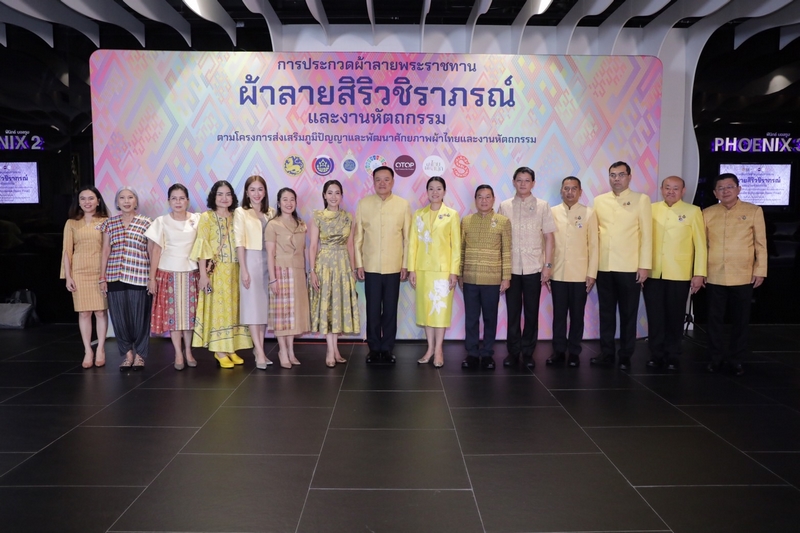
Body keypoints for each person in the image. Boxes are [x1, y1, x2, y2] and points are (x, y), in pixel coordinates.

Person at [703, 173, 767, 376]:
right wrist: (700, 272)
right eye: (721, 188)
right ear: (715, 193)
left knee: (740, 320)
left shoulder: (754, 211)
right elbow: (702, 246)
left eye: (730, 187)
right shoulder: (707, 213)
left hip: (743, 275)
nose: (725, 191)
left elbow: (761, 245)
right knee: (714, 320)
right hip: (714, 275)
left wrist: (760, 270)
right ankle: (715, 358)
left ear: (739, 189)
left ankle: (736, 359)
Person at [590, 161, 652, 370]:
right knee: (606, 313)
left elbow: (646, 235)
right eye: (613, 175)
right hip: (604, 266)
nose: (616, 179)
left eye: (621, 175)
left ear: (629, 177)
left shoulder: (641, 200)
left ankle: (625, 354)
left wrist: (644, 266)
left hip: (629, 267)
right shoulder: (599, 201)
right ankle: (607, 352)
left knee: (628, 313)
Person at [643, 176, 707, 372]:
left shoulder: (693, 211)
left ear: (683, 191)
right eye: (667, 188)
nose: (671, 191)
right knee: (655, 317)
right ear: (661, 189)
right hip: (653, 272)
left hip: (679, 273)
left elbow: (701, 246)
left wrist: (699, 273)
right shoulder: (651, 209)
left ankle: (673, 354)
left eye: (675, 188)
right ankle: (656, 354)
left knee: (675, 316)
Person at [498, 166, 556, 369]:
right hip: (511, 269)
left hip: (534, 268)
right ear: (513, 181)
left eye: (527, 180)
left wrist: (547, 266)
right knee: (513, 312)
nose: (523, 184)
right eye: (519, 180)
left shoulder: (542, 206)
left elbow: (549, 238)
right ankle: (513, 352)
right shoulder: (504, 206)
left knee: (531, 312)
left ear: (533, 183)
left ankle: (528, 352)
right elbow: (500, 239)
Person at [191, 180, 253, 368]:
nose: (224, 198)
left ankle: (230, 348)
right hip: (216, 271)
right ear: (213, 197)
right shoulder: (207, 217)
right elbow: (203, 246)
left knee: (234, 310)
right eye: (220, 194)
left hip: (236, 269)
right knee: (219, 311)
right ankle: (219, 351)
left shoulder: (238, 216)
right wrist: (203, 275)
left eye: (228, 194)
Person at [354, 166, 412, 364]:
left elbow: (408, 239)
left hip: (394, 267)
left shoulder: (403, 205)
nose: (382, 183)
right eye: (378, 179)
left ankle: (387, 348)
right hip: (370, 267)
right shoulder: (363, 204)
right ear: (373, 181)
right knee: (372, 309)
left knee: (389, 310)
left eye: (386, 179)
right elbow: (357, 239)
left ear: (393, 182)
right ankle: (373, 348)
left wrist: (406, 265)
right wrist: (359, 264)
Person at [145, 184, 201, 371]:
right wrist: (152, 278)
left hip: (191, 272)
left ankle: (189, 351)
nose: (178, 202)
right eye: (174, 198)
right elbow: (155, 251)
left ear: (187, 201)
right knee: (174, 317)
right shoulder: (161, 221)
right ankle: (178, 353)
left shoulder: (197, 219)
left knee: (189, 317)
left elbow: (202, 247)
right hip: (168, 273)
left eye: (181, 198)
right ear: (169, 201)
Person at [408, 176, 461, 368]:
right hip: (422, 270)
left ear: (444, 192)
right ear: (427, 191)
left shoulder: (452, 215)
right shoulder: (418, 215)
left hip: (442, 271)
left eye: (439, 189)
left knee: (439, 311)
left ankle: (439, 349)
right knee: (425, 311)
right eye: (431, 189)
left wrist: (454, 272)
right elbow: (412, 244)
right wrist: (411, 269)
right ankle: (429, 348)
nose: (435, 192)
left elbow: (456, 246)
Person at [98, 187, 152, 371]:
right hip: (114, 276)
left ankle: (140, 355)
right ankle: (127, 354)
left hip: (139, 275)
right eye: (122, 198)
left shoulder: (147, 223)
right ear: (117, 202)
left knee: (140, 318)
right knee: (119, 318)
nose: (126, 201)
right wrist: (102, 276)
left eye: (130, 197)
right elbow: (105, 250)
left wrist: (152, 277)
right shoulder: (109, 224)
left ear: (136, 202)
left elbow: (151, 251)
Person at [459, 185, 512, 370]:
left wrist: (506, 277)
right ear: (475, 200)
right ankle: (472, 353)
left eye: (487, 197)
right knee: (471, 318)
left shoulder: (503, 221)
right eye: (480, 197)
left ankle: (488, 353)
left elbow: (506, 251)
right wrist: (460, 274)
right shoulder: (466, 221)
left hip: (492, 280)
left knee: (490, 318)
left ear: (493, 199)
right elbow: (461, 250)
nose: (484, 200)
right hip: (470, 279)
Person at [309, 179, 360, 368]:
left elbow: (350, 246)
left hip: (343, 265)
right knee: (328, 306)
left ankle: (336, 349)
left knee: (339, 306)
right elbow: (313, 246)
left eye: (337, 192)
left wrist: (353, 270)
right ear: (324, 195)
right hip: (325, 265)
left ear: (341, 196)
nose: (333, 196)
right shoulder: (318, 216)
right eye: (329, 192)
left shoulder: (348, 217)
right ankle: (330, 351)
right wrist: (312, 271)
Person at [548, 177, 598, 368]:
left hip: (580, 274)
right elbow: (547, 243)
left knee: (577, 315)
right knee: (559, 315)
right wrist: (547, 268)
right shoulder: (552, 212)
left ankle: (575, 351)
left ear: (580, 192)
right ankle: (559, 351)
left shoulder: (589, 213)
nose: (569, 192)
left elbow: (594, 246)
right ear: (561, 191)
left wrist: (591, 273)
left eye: (573, 189)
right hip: (557, 272)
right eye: (566, 188)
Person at [61, 187, 110, 369]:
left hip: (100, 271)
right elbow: (67, 251)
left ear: (98, 200)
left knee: (100, 312)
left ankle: (101, 349)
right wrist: (68, 276)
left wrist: (106, 275)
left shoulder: (106, 221)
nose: (87, 202)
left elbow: (108, 249)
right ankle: (88, 350)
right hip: (79, 271)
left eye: (91, 198)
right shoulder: (71, 223)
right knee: (84, 312)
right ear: (78, 202)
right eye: (83, 199)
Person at [234, 175, 276, 370]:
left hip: (269, 261)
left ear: (265, 191)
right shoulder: (241, 212)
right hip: (250, 259)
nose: (256, 193)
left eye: (260, 189)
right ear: (246, 192)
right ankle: (259, 351)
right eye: (252, 189)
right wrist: (244, 269)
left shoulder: (271, 213)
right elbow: (240, 242)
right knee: (252, 307)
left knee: (263, 308)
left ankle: (259, 348)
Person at [266, 187, 310, 368]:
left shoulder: (301, 224)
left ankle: (291, 351)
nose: (288, 203)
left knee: (294, 315)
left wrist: (308, 272)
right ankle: (282, 350)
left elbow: (304, 251)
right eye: (285, 199)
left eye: (292, 199)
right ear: (278, 203)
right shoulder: (272, 225)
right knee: (281, 315)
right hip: (281, 271)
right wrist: (272, 279)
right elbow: (269, 254)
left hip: (298, 272)